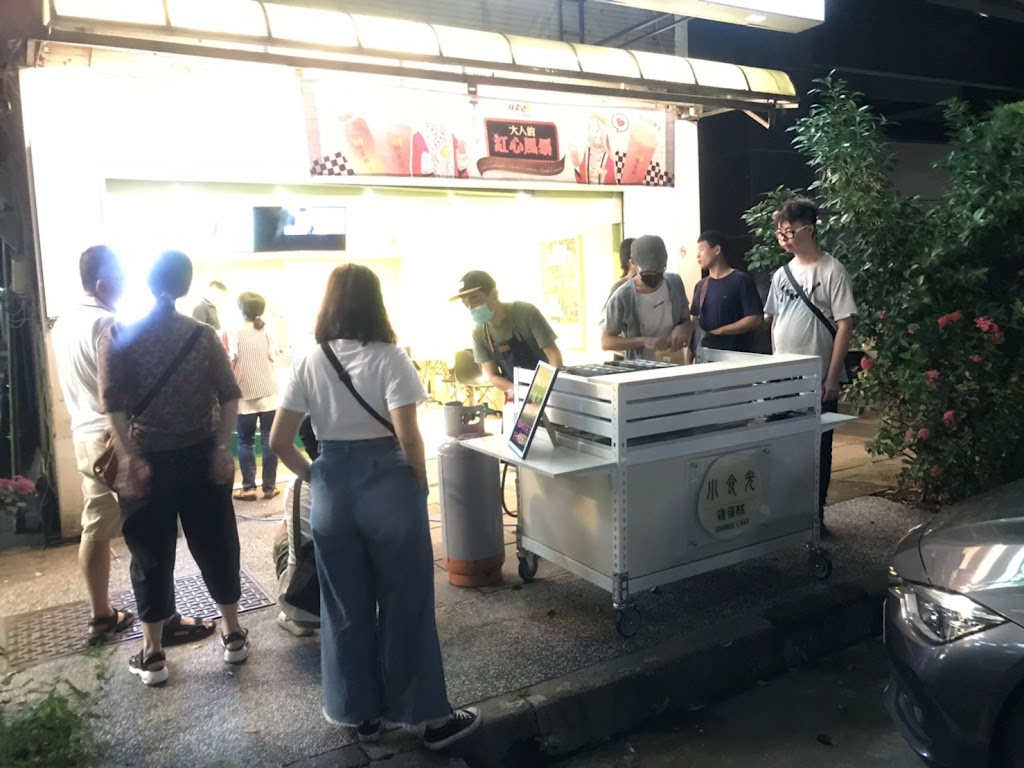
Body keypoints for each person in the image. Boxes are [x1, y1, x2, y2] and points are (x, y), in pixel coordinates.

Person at [269, 263, 481, 750]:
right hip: (388, 488)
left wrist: (317, 475)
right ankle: (430, 721)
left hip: (332, 490)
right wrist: (419, 485)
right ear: (375, 303)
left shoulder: (307, 361)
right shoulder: (391, 358)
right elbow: (409, 436)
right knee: (407, 603)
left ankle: (362, 718)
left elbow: (280, 441)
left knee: (345, 607)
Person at [99, 250, 249, 685]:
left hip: (147, 463)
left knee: (150, 554)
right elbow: (230, 394)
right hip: (201, 458)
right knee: (217, 544)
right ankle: (233, 635)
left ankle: (153, 655)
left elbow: (113, 402)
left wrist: (129, 456)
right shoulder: (202, 335)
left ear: (148, 283)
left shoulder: (120, 333)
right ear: (185, 286)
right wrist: (220, 447)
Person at [52, 246, 135, 644]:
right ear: (102, 284)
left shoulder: (63, 323)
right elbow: (122, 389)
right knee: (145, 526)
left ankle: (101, 614)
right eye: (120, 278)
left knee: (96, 526)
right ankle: (162, 617)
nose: (125, 285)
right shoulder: (106, 323)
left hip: (85, 435)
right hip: (112, 438)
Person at [763, 198, 857, 532]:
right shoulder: (781, 274)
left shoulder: (832, 271)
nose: (784, 237)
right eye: (780, 232)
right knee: (778, 443)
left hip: (817, 377)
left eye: (789, 231)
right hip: (782, 378)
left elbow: (845, 324)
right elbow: (775, 321)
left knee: (819, 447)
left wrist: (831, 376)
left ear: (810, 230)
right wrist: (774, 367)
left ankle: (814, 517)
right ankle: (779, 515)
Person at [452, 270, 563, 392]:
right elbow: (493, 375)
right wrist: (518, 392)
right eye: (465, 304)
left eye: (475, 300)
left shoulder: (526, 313)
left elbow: (553, 354)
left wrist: (541, 392)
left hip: (546, 386)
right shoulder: (479, 333)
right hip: (516, 392)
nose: (471, 308)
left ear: (494, 294)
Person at [602, 234, 693, 360]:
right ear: (633, 263)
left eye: (659, 271)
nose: (654, 276)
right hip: (640, 366)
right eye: (648, 272)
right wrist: (643, 341)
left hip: (674, 363)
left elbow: (686, 320)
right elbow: (606, 341)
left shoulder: (674, 283)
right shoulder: (622, 296)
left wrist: (682, 329)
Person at [229, 292, 280, 502]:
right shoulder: (267, 330)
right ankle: (269, 488)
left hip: (244, 394)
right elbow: (273, 357)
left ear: (241, 309)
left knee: (245, 440)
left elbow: (231, 360)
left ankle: (249, 488)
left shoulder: (235, 331)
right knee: (269, 440)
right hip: (269, 392)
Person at [272, 416, 320, 637]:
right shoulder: (375, 474)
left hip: (311, 605)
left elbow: (298, 553)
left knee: (283, 531)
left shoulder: (301, 484)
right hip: (372, 597)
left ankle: (295, 614)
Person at [690, 230, 764, 353]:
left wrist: (721, 332)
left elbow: (755, 319)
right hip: (706, 356)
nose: (698, 255)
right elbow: (695, 324)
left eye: (702, 249)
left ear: (717, 250)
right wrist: (691, 354)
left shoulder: (740, 280)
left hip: (737, 355)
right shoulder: (701, 286)